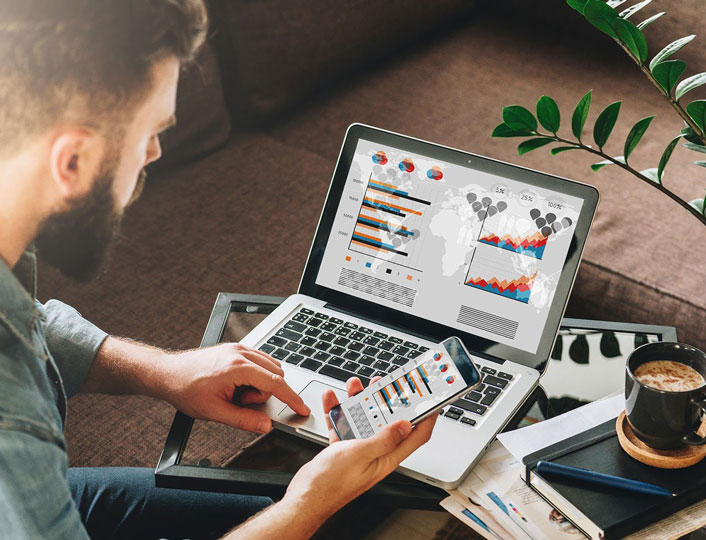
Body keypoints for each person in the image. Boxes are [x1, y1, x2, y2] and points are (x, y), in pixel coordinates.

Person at [0, 1, 436, 538]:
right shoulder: (12, 427)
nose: (155, 153)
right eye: (150, 133)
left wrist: (162, 371)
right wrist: (306, 506)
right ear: (72, 162)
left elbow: (27, 323)